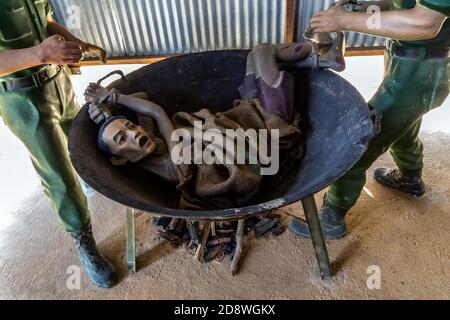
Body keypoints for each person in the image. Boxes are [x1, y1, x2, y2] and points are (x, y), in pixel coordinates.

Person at [84, 39, 346, 210]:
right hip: (271, 126)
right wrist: (115, 97)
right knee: (265, 52)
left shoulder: (154, 143)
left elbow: (141, 99)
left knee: (257, 52)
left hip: (248, 112)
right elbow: (153, 109)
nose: (134, 134)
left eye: (129, 127)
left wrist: (108, 106)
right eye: (122, 140)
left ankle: (322, 60)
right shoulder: (172, 160)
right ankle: (318, 56)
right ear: (119, 160)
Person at [290, 0, 450, 240]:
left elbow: (426, 22)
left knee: (361, 138)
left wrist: (345, 21)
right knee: (403, 125)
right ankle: (410, 178)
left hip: (423, 66)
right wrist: (366, 6)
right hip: (410, 59)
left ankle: (331, 219)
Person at [0, 0, 117, 288]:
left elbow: (45, 21)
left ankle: (87, 178)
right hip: (22, 98)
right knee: (59, 176)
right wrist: (41, 53)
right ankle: (83, 240)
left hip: (57, 81)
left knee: (81, 140)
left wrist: (76, 43)